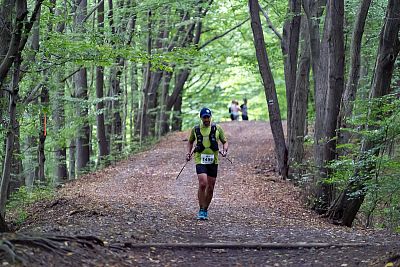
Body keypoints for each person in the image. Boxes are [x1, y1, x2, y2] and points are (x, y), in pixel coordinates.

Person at [186, 107, 228, 220]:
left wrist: (224, 151)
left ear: (210, 117)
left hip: (213, 160)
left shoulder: (217, 128)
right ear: (201, 118)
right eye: (204, 117)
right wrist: (188, 153)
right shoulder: (195, 129)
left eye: (208, 117)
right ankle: (201, 208)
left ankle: (205, 209)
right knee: (203, 183)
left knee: (210, 187)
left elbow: (225, 142)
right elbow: (190, 141)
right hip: (200, 159)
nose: (206, 120)